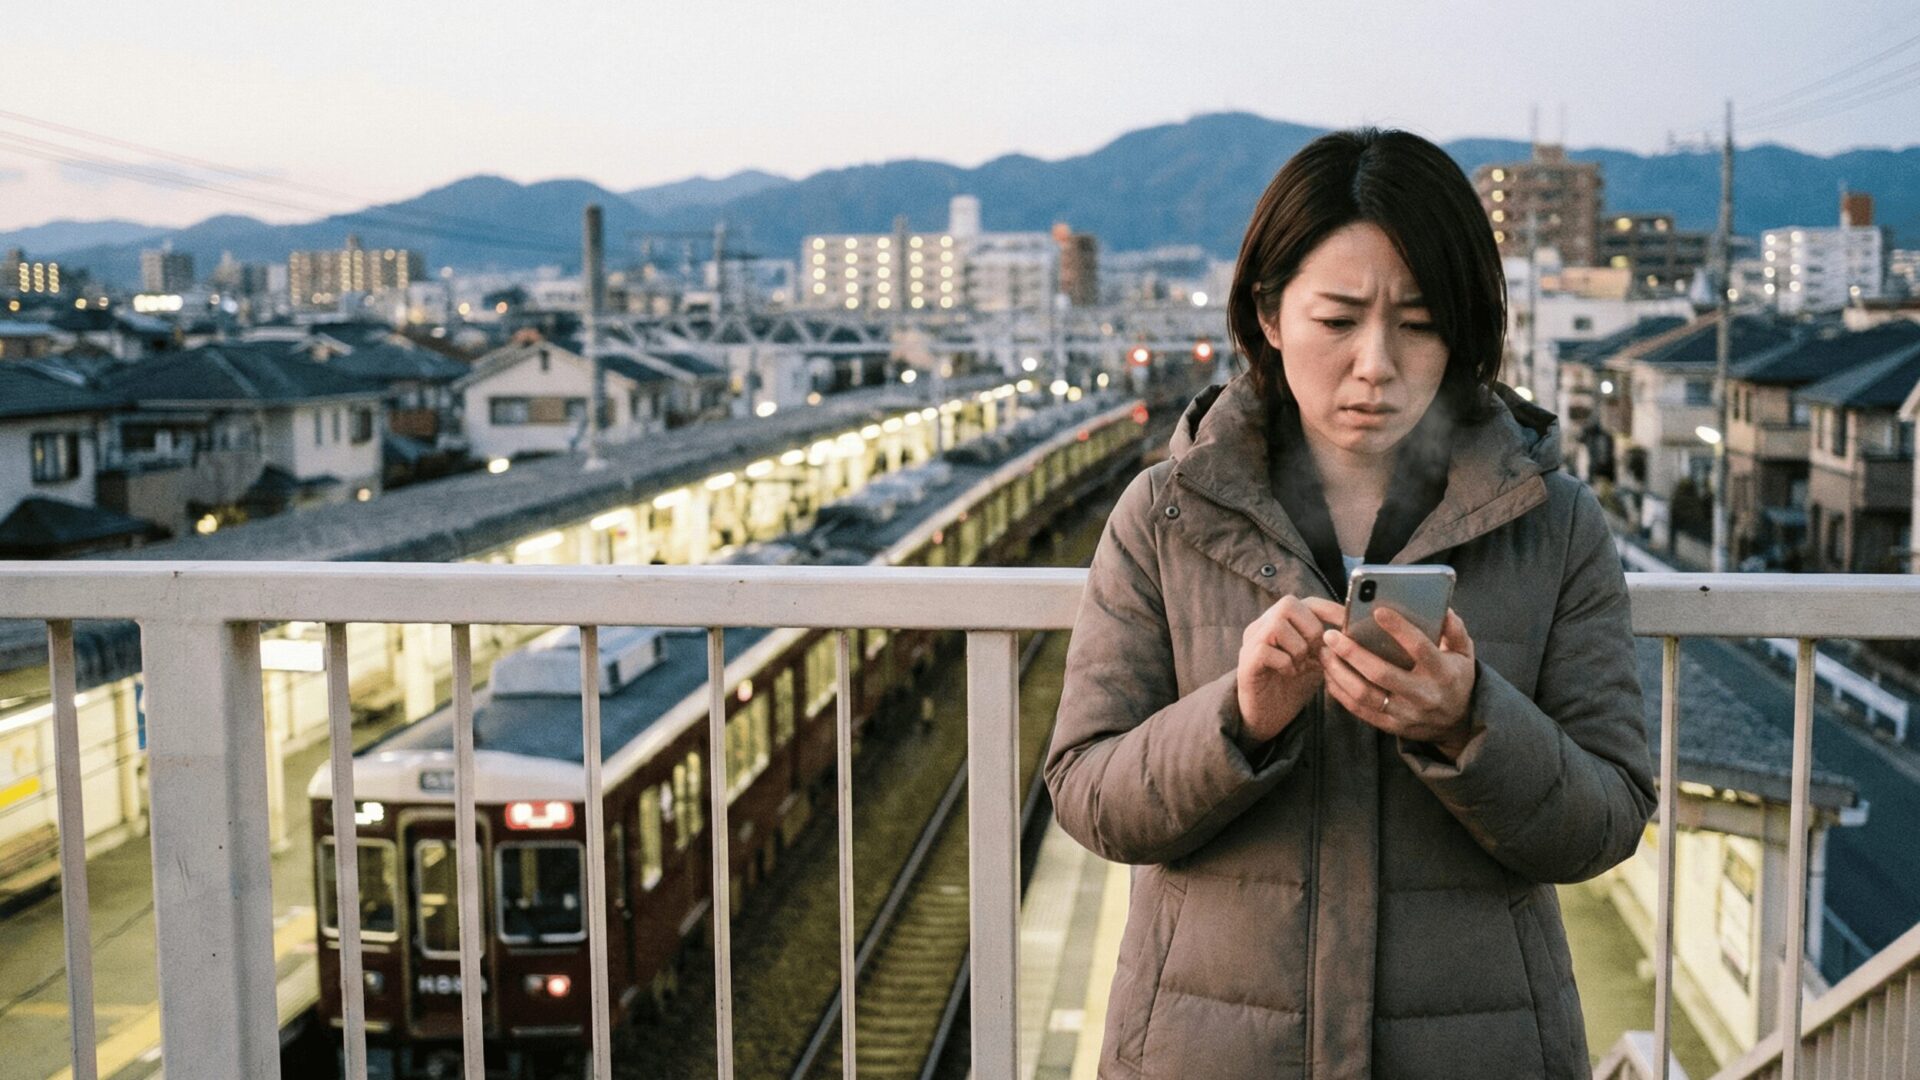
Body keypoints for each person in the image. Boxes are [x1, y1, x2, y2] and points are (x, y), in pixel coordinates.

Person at [1044, 128, 1656, 1079]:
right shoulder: (1164, 515)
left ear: (1460, 333)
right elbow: (1086, 794)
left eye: (1417, 323)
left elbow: (1609, 815)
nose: (1376, 363)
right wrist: (1239, 720)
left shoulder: (1554, 522)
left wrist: (1469, 725)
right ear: (1270, 314)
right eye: (1338, 320)